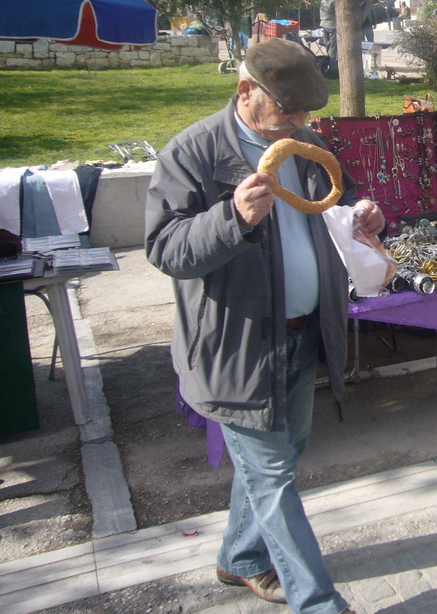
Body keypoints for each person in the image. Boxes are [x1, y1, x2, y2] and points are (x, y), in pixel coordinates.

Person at [145, 38, 383, 614]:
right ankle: (319, 602)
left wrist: (364, 214)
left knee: (282, 456)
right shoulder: (194, 154)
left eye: (306, 112)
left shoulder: (306, 147)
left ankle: (241, 558)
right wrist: (231, 218)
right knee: (273, 475)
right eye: (288, 110)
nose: (299, 122)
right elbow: (164, 248)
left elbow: (334, 204)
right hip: (239, 343)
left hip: (306, 329)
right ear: (245, 91)